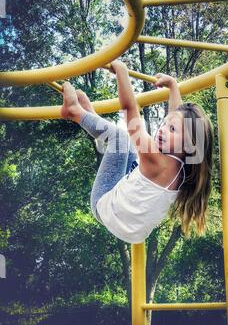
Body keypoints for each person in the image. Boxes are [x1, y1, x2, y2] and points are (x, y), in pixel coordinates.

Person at [61, 60, 214, 244]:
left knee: (120, 138)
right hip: (134, 231)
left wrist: (121, 72)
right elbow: (176, 116)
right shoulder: (188, 165)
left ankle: (74, 112)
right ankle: (92, 119)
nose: (163, 130)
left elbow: (129, 111)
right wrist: (173, 86)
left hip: (105, 206)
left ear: (189, 143)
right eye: (164, 124)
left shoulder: (156, 161)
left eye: (171, 130)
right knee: (127, 145)